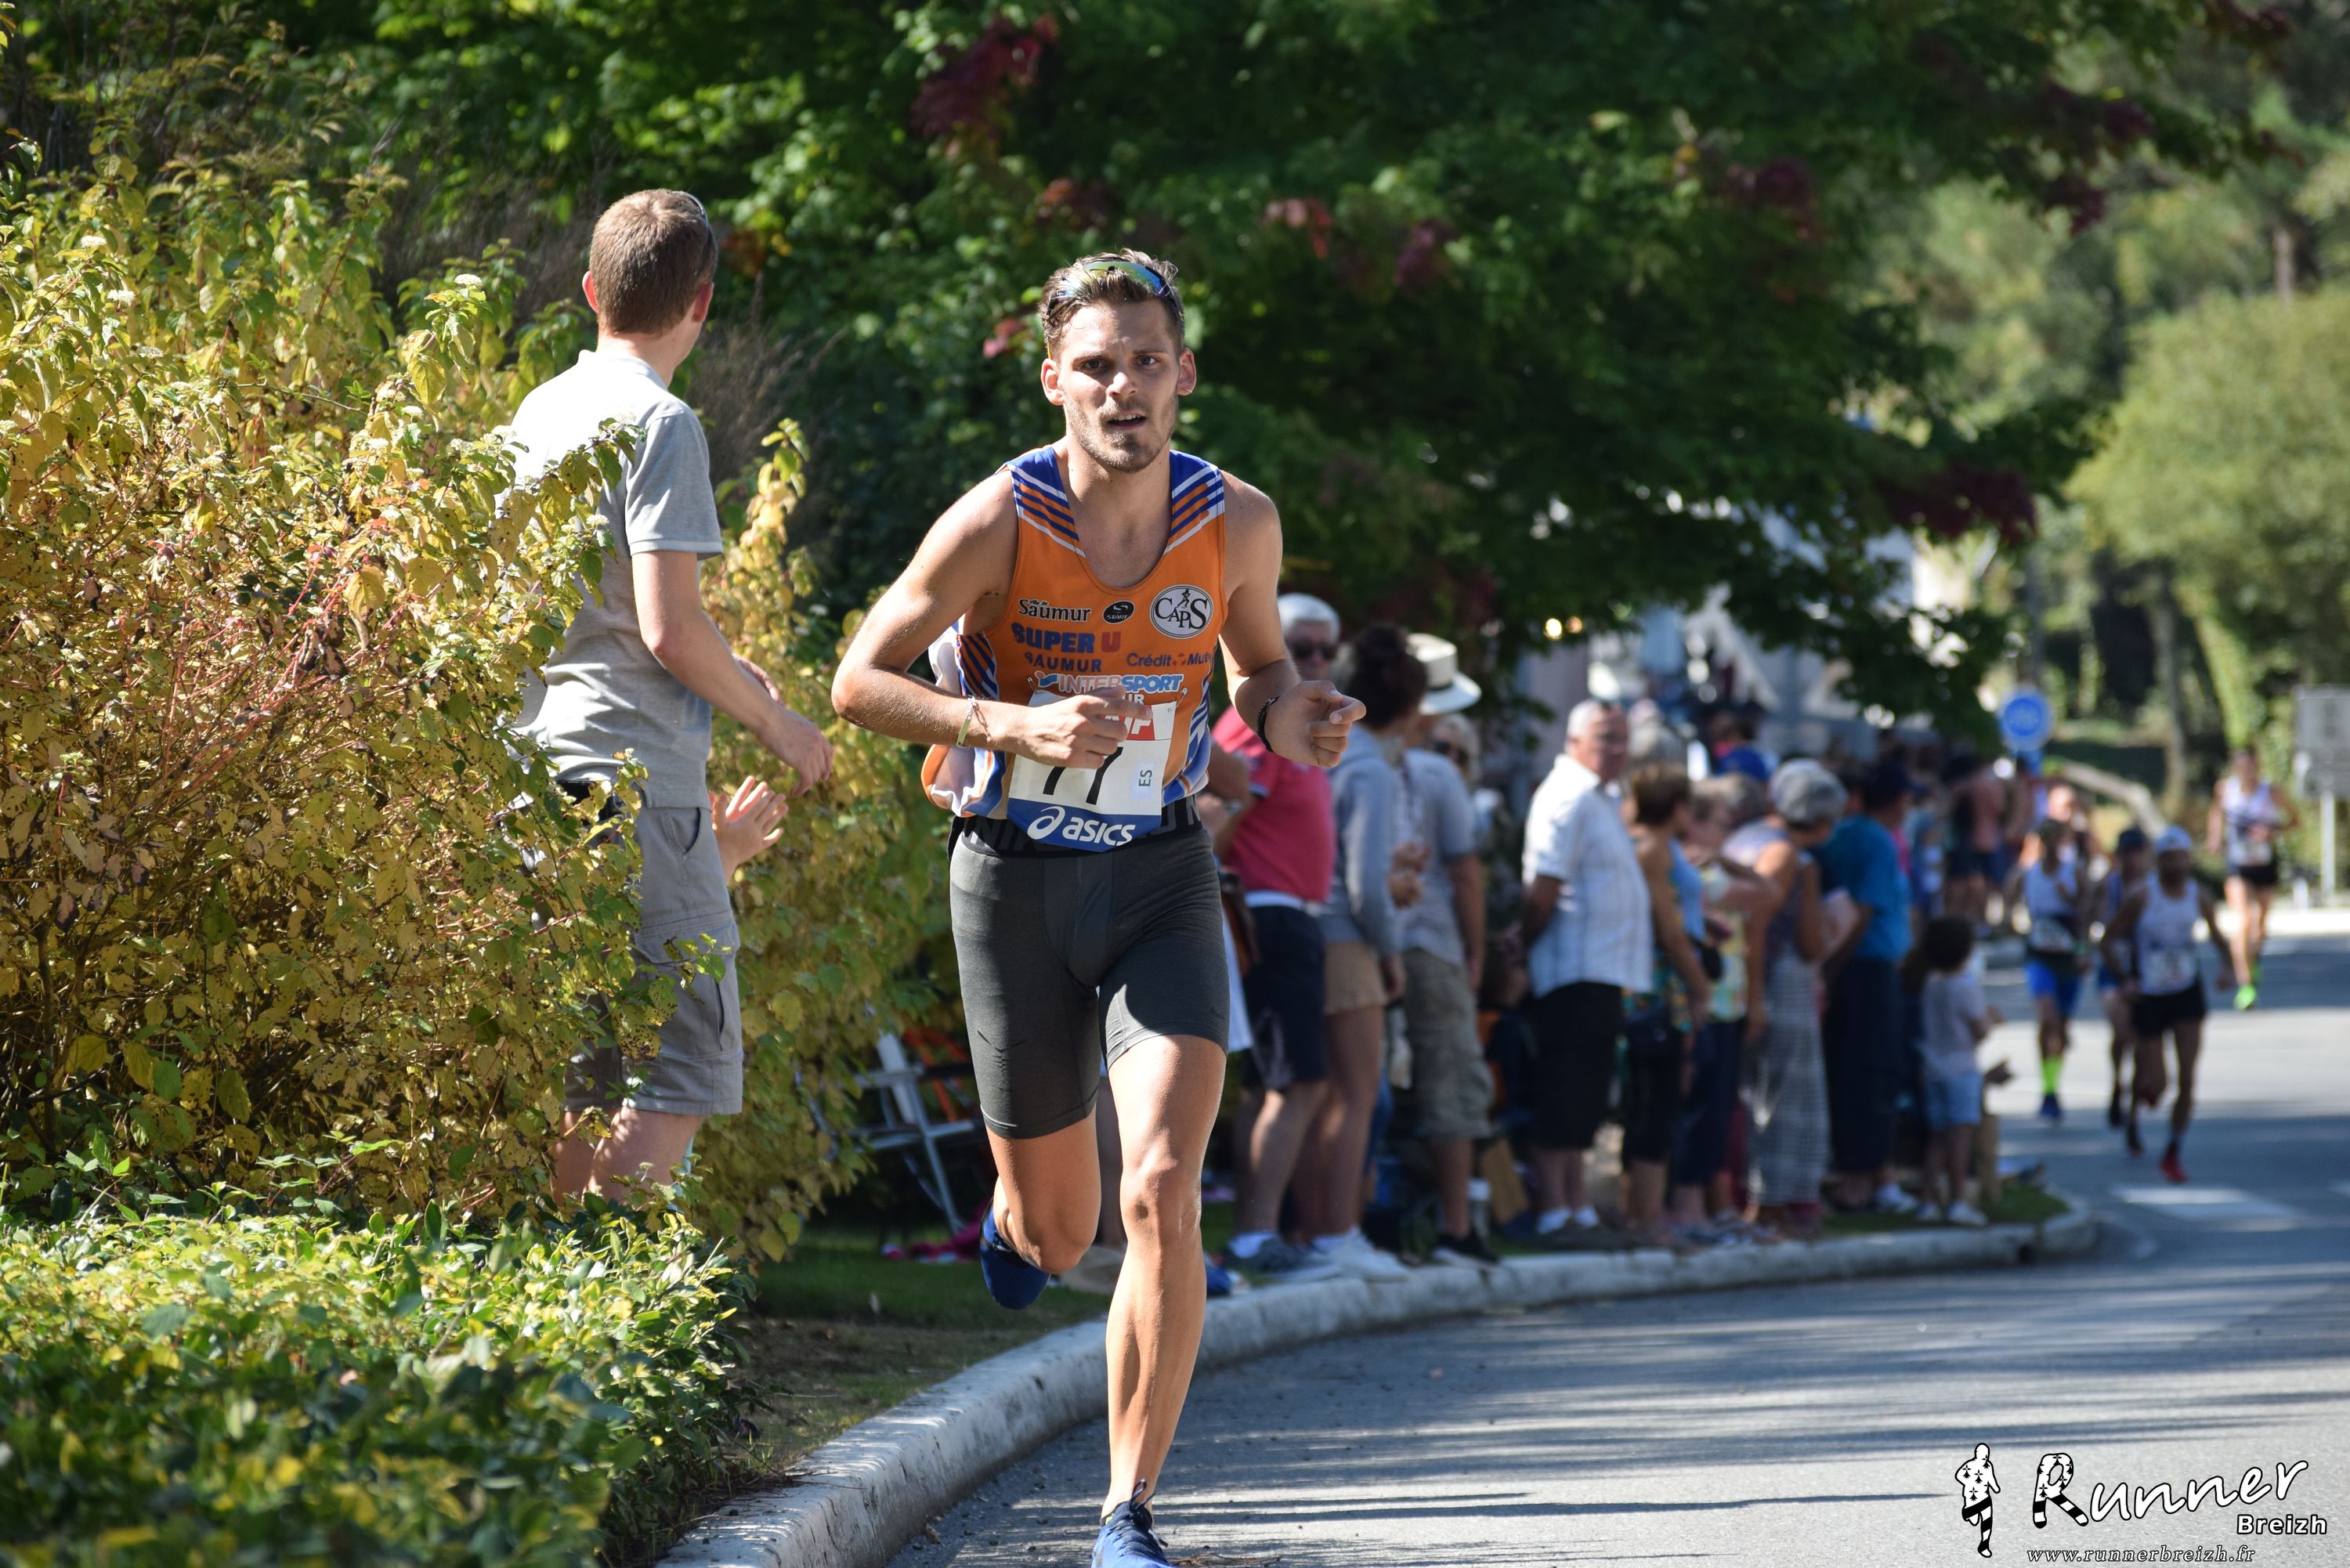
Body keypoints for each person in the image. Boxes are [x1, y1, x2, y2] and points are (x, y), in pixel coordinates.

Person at [829, 249, 1365, 1566]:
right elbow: (858, 681)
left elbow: (1256, 672)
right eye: (1097, 366)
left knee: (1165, 1185)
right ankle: (1016, 1222)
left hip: (1161, 875)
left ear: (1184, 375)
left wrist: (1296, 716)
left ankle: (1127, 1511)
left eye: (1147, 363)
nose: (1125, 388)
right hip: (1013, 876)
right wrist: (1012, 724)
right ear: (1055, 380)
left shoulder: (1237, 519)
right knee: (1061, 1228)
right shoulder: (998, 519)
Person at [510, 190, 836, 1199]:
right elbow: (668, 629)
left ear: (590, 291)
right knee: (678, 1063)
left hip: (537, 768)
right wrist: (779, 723)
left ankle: (550, 1272)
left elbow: (599, 610)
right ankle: (612, 1281)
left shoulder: (540, 411)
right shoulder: (664, 423)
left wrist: (729, 668)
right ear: (701, 303)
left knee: (579, 1065)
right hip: (637, 776)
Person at [1207, 594, 1347, 1287]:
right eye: (1301, 646)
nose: (1314, 660)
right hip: (1267, 912)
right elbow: (1221, 803)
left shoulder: (1292, 719)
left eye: (1325, 649)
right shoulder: (1259, 714)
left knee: (1279, 1082)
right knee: (1295, 1082)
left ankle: (1263, 1233)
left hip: (1288, 913)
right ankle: (1256, 1236)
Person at [1296, 627, 1422, 1281]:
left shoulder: (1329, 750)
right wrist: (1391, 950)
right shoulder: (1371, 767)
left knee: (1315, 1094)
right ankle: (1337, 1233)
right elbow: (1366, 884)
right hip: (1347, 939)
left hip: (1307, 927)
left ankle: (1311, 1232)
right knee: (1354, 1095)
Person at [1520, 699, 1650, 1240]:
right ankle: (1555, 1206)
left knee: (1587, 1093)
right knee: (1565, 1088)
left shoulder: (1601, 798)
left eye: (1622, 738)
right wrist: (1521, 946)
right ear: (1574, 741)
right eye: (1605, 738)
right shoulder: (1568, 795)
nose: (1616, 749)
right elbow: (1544, 887)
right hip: (1572, 967)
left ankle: (1576, 1204)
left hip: (1600, 969)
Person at [1397, 633, 1496, 1267]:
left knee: (1367, 1086)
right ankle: (1457, 1226)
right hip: (1432, 942)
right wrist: (1476, 952)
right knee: (1453, 1077)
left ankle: (1354, 1224)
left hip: (1374, 935)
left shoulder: (1361, 755)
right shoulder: (1436, 773)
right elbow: (1465, 874)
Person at [1726, 762, 1838, 1239]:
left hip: (1740, 979)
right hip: (1775, 981)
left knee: (1753, 1093)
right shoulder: (1790, 856)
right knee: (1785, 1096)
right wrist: (1757, 999)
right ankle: (1774, 1200)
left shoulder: (1744, 837)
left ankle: (1760, 1197)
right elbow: (1798, 938)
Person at [2102, 826, 2233, 1183]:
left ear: (2189, 860)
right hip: (2150, 994)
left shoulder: (2198, 896)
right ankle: (2135, 1108)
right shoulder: (2141, 897)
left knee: (2188, 1078)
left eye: (2182, 858)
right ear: (2158, 861)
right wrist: (2124, 979)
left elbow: (2218, 936)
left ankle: (2173, 1150)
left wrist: (2228, 968)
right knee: (2158, 1084)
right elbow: (2108, 940)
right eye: (2169, 859)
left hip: (2186, 991)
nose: (2177, 865)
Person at [1817, 759, 1917, 1214]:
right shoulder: (1875, 839)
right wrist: (1834, 969)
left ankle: (1871, 1171)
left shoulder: (1846, 833)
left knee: (1854, 1068)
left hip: (1857, 967)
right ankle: (1859, 1177)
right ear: (1898, 801)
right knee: (1870, 1073)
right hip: (1866, 969)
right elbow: (1862, 912)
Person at [1621, 768, 1715, 1244]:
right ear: (1677, 807)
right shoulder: (1653, 849)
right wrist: (1701, 987)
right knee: (1657, 1101)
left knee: (1654, 1099)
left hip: (1655, 985)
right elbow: (1670, 930)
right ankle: (1645, 1218)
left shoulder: (1645, 843)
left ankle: (1643, 1215)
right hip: (1659, 989)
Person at [1673, 772, 1768, 1236]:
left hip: (1726, 1004)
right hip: (1704, 1005)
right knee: (1699, 1111)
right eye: (1720, 825)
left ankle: (1711, 1207)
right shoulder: (1696, 874)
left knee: (1716, 1110)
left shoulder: (1712, 869)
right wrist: (1727, 864)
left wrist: (1726, 860)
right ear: (1693, 823)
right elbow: (1767, 894)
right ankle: (1688, 1210)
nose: (1726, 835)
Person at [1912, 916, 1996, 1226]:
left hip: (1933, 1068)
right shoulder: (1966, 988)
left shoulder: (1930, 984)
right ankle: (1957, 1200)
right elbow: (1979, 1030)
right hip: (1962, 1070)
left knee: (1936, 1138)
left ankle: (1926, 1200)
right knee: (1960, 1139)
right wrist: (1992, 1020)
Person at [2207, 746, 2298, 1010]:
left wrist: (2272, 832)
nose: (2247, 772)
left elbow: (2295, 821)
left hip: (2264, 863)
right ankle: (2246, 985)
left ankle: (2252, 960)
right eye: (2242, 767)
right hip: (2238, 863)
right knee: (2244, 920)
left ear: (2258, 767)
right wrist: (2215, 837)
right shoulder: (2226, 789)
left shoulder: (2271, 791)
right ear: (2235, 768)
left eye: (2252, 767)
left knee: (2260, 926)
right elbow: (2217, 812)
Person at [2013, 817, 2090, 1123]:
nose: (2050, 846)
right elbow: (2010, 902)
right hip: (2040, 955)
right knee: (2048, 1020)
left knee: (2062, 1027)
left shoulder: (2074, 872)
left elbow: (2087, 913)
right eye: (2045, 839)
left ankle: (2053, 1082)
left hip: (2068, 958)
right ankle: (2048, 1090)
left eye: (2056, 839)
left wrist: (2083, 950)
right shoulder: (2028, 874)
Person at [2092, 826, 2153, 1135]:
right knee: (2122, 1031)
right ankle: (2118, 1081)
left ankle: (2134, 1109)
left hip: (2147, 968)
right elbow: (2095, 920)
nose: (2132, 859)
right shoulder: (2109, 885)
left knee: (2142, 1039)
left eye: (2137, 852)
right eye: (2127, 853)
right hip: (2113, 965)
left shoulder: (2153, 886)